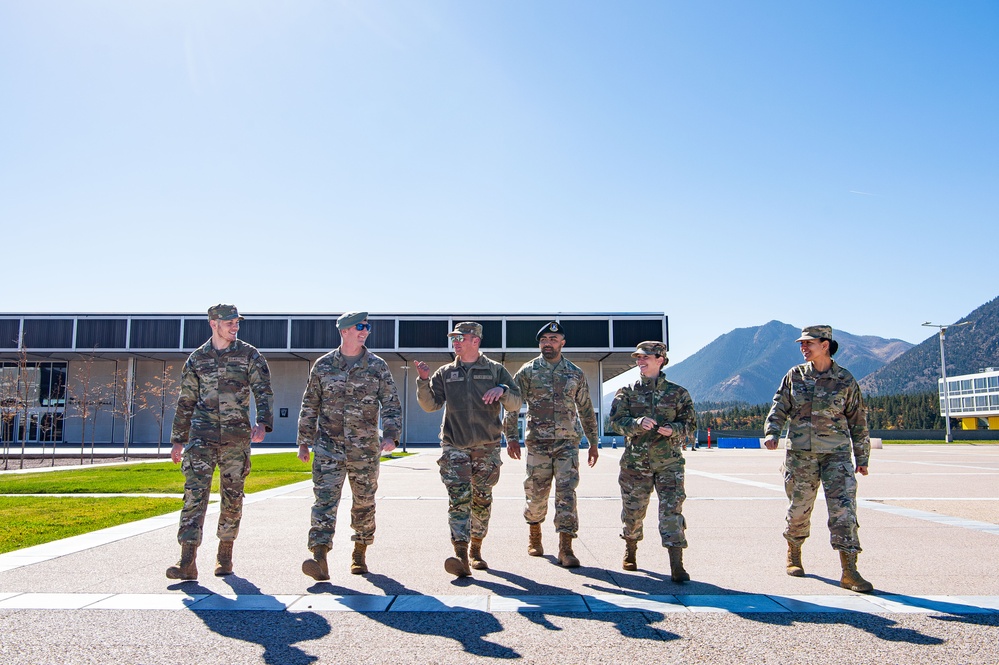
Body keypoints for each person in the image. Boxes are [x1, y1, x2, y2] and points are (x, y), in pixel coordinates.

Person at [166, 304, 273, 580]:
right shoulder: (197, 359)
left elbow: (263, 389)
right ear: (214, 323)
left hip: (236, 438)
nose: (235, 327)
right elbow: (186, 400)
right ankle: (187, 560)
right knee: (193, 496)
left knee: (232, 497)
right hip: (200, 437)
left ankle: (224, 556)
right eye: (229, 322)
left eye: (237, 322)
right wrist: (178, 439)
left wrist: (263, 422)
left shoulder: (249, 355)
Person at [763, 325, 874, 593]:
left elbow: (858, 420)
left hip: (836, 455)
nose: (803, 348)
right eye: (801, 344)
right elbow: (779, 406)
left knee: (844, 511)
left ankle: (849, 570)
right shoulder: (795, 376)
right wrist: (772, 432)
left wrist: (862, 457)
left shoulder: (845, 379)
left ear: (825, 344)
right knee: (799, 509)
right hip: (801, 455)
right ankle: (794, 553)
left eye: (808, 343)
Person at [297, 312, 401, 580]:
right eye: (360, 327)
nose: (365, 331)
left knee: (364, 503)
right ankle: (319, 557)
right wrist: (304, 442)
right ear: (344, 331)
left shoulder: (377, 366)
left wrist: (391, 435)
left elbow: (390, 403)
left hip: (364, 451)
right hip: (328, 448)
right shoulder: (323, 366)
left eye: (367, 327)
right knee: (324, 503)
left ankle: (359, 553)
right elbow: (310, 404)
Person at [414, 321, 522, 577]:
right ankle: (460, 554)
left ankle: (476, 550)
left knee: (481, 501)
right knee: (458, 500)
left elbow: (516, 402)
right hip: (454, 446)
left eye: (461, 337)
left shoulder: (496, 370)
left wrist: (503, 390)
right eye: (454, 338)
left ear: (476, 340)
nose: (456, 342)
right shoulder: (445, 373)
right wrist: (423, 381)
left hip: (487, 448)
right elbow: (431, 406)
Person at [503, 321, 599, 568]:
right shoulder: (528, 371)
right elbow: (513, 404)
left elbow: (586, 409)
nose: (548, 343)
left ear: (562, 343)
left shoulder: (575, 373)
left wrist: (593, 442)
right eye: (544, 339)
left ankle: (566, 548)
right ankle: (534, 535)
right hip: (538, 444)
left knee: (567, 494)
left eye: (553, 339)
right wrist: (511, 437)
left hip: (568, 443)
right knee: (536, 494)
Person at [609, 341, 695, 583]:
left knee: (672, 512)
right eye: (637, 357)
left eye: (645, 357)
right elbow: (615, 422)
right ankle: (631, 550)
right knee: (633, 513)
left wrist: (674, 429)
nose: (640, 361)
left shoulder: (678, 393)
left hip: (669, 464)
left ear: (660, 359)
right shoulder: (626, 391)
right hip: (635, 465)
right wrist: (636, 424)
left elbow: (690, 425)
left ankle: (677, 565)